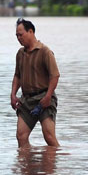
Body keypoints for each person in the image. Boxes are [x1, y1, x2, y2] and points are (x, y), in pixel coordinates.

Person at [11, 18, 60, 148]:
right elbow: (17, 75)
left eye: (21, 35)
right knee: (21, 136)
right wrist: (13, 94)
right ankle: (28, 165)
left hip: (44, 98)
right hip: (26, 101)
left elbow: (55, 76)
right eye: (16, 35)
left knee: (49, 136)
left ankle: (54, 162)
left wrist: (48, 97)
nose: (18, 38)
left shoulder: (45, 52)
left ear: (31, 32)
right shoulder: (20, 54)